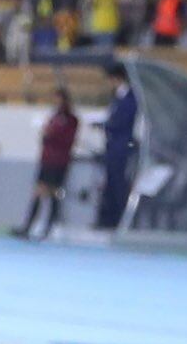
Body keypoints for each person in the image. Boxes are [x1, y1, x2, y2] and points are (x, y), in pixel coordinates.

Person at [21, 86, 79, 239]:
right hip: (48, 159)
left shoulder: (70, 120)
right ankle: (30, 225)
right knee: (39, 191)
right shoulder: (54, 117)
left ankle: (49, 226)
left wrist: (51, 134)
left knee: (54, 193)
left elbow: (66, 139)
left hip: (58, 160)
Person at [92, 69, 141, 234]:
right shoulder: (117, 98)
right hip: (113, 146)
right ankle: (108, 220)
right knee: (110, 183)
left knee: (119, 183)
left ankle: (121, 220)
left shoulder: (130, 98)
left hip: (121, 147)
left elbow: (123, 120)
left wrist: (107, 125)